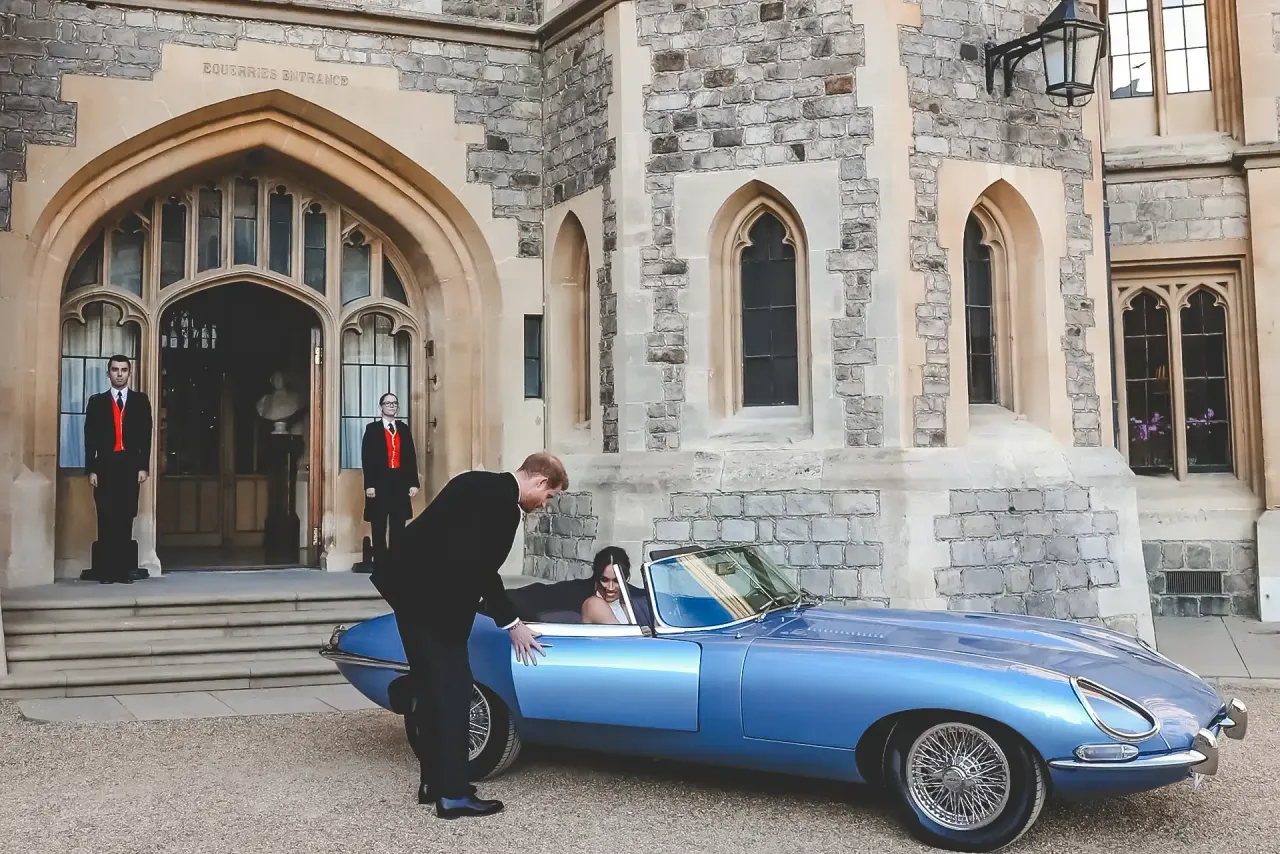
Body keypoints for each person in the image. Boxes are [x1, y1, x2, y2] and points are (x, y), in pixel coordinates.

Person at [370, 452, 567, 820]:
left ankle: (433, 781)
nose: (544, 504)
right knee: (455, 694)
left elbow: (436, 539)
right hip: (434, 606)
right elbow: (482, 568)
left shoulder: (474, 481)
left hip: (408, 595)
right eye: (549, 495)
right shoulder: (504, 507)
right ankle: (454, 795)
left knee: (430, 690)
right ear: (540, 481)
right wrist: (512, 624)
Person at [83, 355, 152, 584]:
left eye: (123, 370)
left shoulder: (140, 401)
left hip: (129, 466)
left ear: (130, 373)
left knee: (125, 516)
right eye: (115, 370)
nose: (119, 374)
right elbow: (89, 438)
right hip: (105, 465)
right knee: (105, 516)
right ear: (108, 373)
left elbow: (146, 436)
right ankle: (106, 571)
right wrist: (91, 469)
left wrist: (143, 466)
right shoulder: (97, 402)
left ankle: (122, 571)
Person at [361, 392, 419, 571]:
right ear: (381, 407)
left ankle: (396, 563)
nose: (391, 406)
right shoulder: (372, 429)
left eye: (394, 403)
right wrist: (369, 485)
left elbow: (410, 457)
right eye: (388, 403)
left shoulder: (403, 429)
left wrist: (413, 483)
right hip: (379, 484)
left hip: (399, 483)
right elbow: (367, 458)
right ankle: (381, 564)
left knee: (398, 525)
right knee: (379, 525)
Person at [582, 546, 635, 625]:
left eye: (616, 580)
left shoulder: (625, 605)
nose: (610, 588)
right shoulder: (594, 604)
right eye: (604, 580)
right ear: (597, 578)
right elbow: (620, 632)